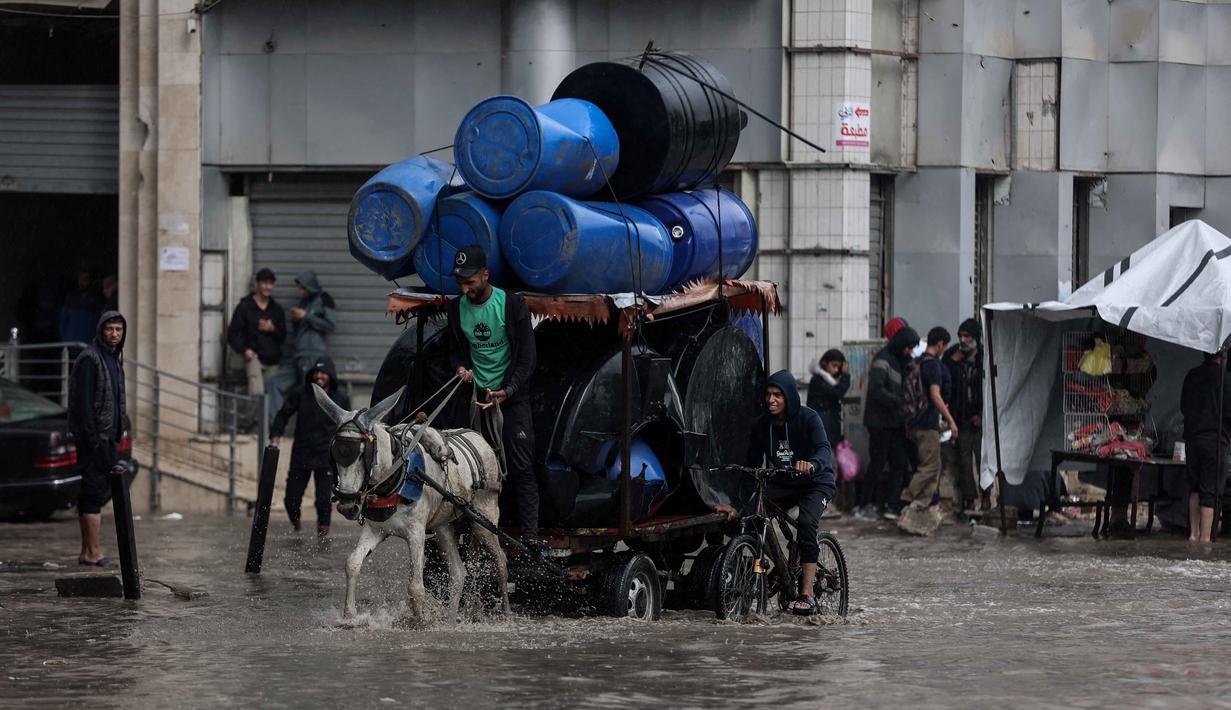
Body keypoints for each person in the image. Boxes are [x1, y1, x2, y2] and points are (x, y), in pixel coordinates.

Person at [445, 245, 542, 553]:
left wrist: (508, 390)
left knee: (521, 465)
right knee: (468, 468)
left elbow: (528, 357)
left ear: (485, 275)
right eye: (460, 283)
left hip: (510, 397)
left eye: (470, 281)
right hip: (477, 398)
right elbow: (454, 349)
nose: (465, 288)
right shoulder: (455, 308)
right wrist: (460, 367)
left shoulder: (512, 305)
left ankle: (529, 536)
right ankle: (469, 529)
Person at [745, 370, 836, 615]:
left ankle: (807, 594)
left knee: (806, 524)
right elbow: (752, 461)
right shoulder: (761, 425)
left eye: (777, 395)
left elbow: (824, 450)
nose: (771, 400)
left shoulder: (809, 418)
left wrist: (812, 464)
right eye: (768, 395)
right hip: (785, 482)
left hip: (816, 482)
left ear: (789, 397)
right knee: (751, 514)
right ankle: (780, 568)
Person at [67, 311, 130, 566]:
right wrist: (93, 439)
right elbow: (82, 405)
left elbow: (115, 398)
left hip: (109, 437)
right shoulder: (89, 359)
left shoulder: (115, 358)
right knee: (93, 491)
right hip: (95, 439)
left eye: (118, 329)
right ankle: (93, 552)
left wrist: (120, 428)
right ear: (100, 331)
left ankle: (88, 552)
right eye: (110, 329)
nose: (114, 334)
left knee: (95, 491)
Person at [270, 357, 349, 538]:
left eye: (323, 373)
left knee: (323, 500)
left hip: (326, 455)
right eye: (317, 372)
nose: (319, 376)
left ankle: (323, 537)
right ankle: (296, 524)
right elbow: (283, 414)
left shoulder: (340, 398)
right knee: (291, 500)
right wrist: (276, 434)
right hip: (302, 453)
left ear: (331, 376)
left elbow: (347, 426)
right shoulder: (301, 393)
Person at [900, 327, 959, 525]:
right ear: (941, 344)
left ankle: (922, 506)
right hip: (926, 424)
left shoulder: (916, 362)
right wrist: (950, 420)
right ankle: (907, 496)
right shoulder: (932, 366)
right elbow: (935, 395)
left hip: (913, 422)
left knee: (934, 466)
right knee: (930, 466)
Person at [861, 325, 920, 520]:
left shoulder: (902, 360)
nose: (910, 352)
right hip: (879, 423)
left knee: (899, 463)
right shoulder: (883, 359)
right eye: (908, 348)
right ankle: (865, 503)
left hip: (894, 423)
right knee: (877, 463)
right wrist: (899, 402)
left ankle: (892, 504)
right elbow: (876, 390)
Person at [267, 270, 336, 417]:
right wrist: (297, 320)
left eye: (303, 288)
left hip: (313, 355)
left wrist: (306, 316)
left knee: (310, 393)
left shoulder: (324, 298)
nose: (300, 291)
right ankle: (274, 428)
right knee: (275, 384)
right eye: (300, 288)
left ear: (310, 286)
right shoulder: (303, 302)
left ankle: (313, 430)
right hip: (297, 355)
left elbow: (330, 325)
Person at [1180, 353, 1231, 543]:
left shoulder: (1192, 375)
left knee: (1195, 488)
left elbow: (1183, 406)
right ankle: (1205, 539)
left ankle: (1193, 535)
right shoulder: (1226, 379)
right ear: (1222, 356)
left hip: (1193, 439)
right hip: (1215, 442)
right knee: (1209, 491)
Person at [227, 268, 287, 425]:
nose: (267, 287)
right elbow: (232, 334)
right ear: (258, 284)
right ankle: (244, 423)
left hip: (272, 360)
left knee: (270, 394)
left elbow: (283, 336)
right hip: (253, 357)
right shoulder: (245, 307)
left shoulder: (276, 309)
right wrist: (244, 349)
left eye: (270, 284)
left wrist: (272, 328)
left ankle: (266, 428)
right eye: (264, 283)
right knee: (257, 392)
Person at [943, 318, 986, 512]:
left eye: (967, 336)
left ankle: (986, 498)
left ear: (975, 338)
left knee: (984, 461)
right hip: (961, 418)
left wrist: (982, 415)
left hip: (982, 419)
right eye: (961, 336)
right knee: (964, 461)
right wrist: (953, 363)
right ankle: (969, 499)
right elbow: (944, 380)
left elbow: (990, 388)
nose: (963, 339)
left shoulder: (984, 356)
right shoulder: (952, 355)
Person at [807, 349, 850, 445]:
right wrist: (846, 376)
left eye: (839, 367)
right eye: (834, 365)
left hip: (830, 427)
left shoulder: (831, 380)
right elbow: (837, 393)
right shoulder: (818, 380)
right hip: (821, 427)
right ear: (824, 363)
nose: (836, 370)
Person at [59, 270, 101, 348]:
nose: (82, 283)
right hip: (71, 342)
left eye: (85, 279)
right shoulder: (71, 297)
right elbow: (63, 319)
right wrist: (65, 338)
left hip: (87, 343)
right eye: (80, 280)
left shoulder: (96, 299)